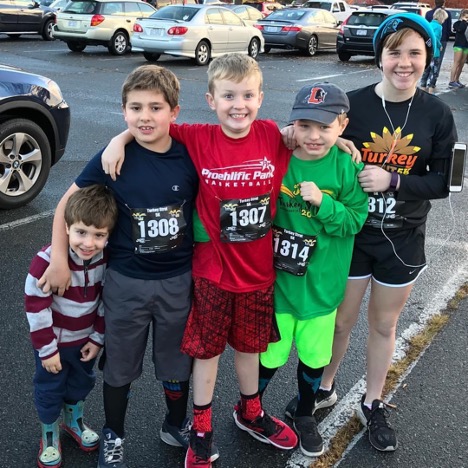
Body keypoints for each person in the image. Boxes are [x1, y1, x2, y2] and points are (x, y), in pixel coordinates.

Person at [101, 53, 302, 468]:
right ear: (211, 99)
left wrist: (343, 141)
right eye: (228, 96)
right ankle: (201, 428)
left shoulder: (271, 136)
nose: (238, 104)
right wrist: (117, 139)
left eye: (247, 95)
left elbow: (315, 137)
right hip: (211, 273)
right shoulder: (197, 137)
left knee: (250, 350)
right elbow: (152, 124)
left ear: (261, 98)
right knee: (206, 353)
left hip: (258, 273)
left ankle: (250, 412)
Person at [305, 13, 458, 453]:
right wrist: (328, 141)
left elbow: (447, 182)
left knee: (383, 323)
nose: (404, 62)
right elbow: (302, 137)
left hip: (403, 238)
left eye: (414, 52)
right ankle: (325, 387)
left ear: (428, 56)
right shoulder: (349, 105)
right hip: (350, 235)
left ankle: (372, 402)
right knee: (340, 320)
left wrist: (393, 181)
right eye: (395, 52)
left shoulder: (438, 113)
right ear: (380, 56)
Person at [38, 65, 200, 468]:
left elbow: (243, 143)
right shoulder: (113, 157)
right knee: (120, 366)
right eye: (135, 108)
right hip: (127, 283)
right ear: (123, 110)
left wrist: (336, 144)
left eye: (155, 107)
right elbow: (64, 206)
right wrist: (60, 258)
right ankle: (114, 432)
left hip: (178, 280)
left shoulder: (190, 152)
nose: (145, 116)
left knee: (176, 363)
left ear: (174, 112)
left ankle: (174, 423)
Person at [257, 83, 368, 458]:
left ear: (342, 125)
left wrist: (323, 204)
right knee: (269, 354)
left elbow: (356, 218)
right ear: (293, 126)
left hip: (321, 288)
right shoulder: (279, 154)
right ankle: (251, 406)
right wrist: (280, 134)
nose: (314, 135)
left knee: (314, 357)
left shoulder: (344, 165)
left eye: (325, 127)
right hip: (278, 286)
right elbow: (245, 133)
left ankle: (305, 413)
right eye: (304, 125)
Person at [25, 184, 118, 468]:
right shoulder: (47, 261)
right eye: (81, 232)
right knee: (50, 388)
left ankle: (73, 422)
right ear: (66, 228)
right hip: (54, 345)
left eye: (99, 235)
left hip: (84, 342)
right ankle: (49, 434)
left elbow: (106, 301)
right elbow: (35, 306)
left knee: (80, 383)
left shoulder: (106, 259)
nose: (88, 243)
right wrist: (47, 350)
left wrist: (98, 338)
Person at [420, 8, 449, 94]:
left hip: (427, 52)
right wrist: (440, 46)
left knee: (426, 71)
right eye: (444, 19)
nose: (444, 21)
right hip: (435, 52)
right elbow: (435, 37)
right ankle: (430, 91)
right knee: (434, 73)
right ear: (441, 18)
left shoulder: (429, 24)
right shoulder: (439, 27)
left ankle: (422, 89)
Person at [425, 0, 452, 88]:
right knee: (437, 62)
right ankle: (432, 82)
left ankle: (424, 81)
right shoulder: (446, 14)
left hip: (429, 42)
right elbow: (448, 28)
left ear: (435, 3)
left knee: (428, 60)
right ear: (443, 3)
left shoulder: (429, 13)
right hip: (441, 41)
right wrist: (445, 38)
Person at [449, 8, 468, 88]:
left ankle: (457, 79)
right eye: (466, 17)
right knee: (456, 62)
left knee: (462, 64)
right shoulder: (458, 23)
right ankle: (452, 80)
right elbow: (460, 29)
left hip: (466, 45)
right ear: (462, 16)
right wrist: (463, 21)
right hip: (458, 45)